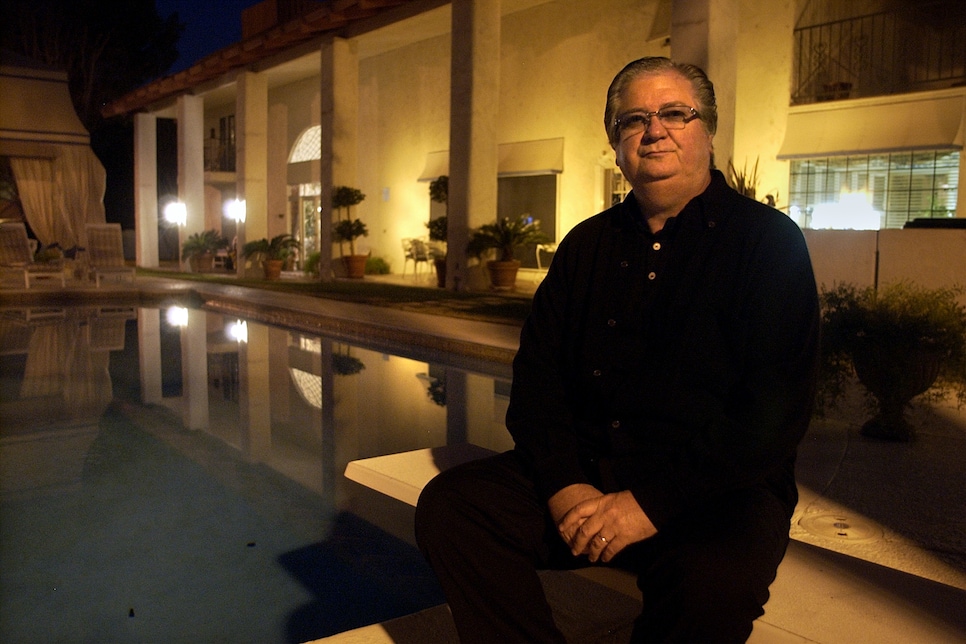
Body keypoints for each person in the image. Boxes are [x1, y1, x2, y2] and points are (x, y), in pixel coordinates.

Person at [415, 56, 820, 643]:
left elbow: (772, 415)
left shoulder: (767, 243)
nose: (655, 130)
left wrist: (648, 504)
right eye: (634, 119)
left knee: (710, 586)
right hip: (589, 478)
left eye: (675, 114)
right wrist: (564, 485)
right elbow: (537, 383)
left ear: (707, 129)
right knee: (455, 510)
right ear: (615, 142)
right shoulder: (587, 246)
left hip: (713, 493)